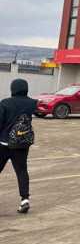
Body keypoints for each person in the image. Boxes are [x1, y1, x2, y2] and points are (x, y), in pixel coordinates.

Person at [0, 78, 37, 214]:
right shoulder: (32, 103)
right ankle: (24, 200)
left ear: (13, 89)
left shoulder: (5, 103)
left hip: (4, 143)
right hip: (21, 143)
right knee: (22, 171)